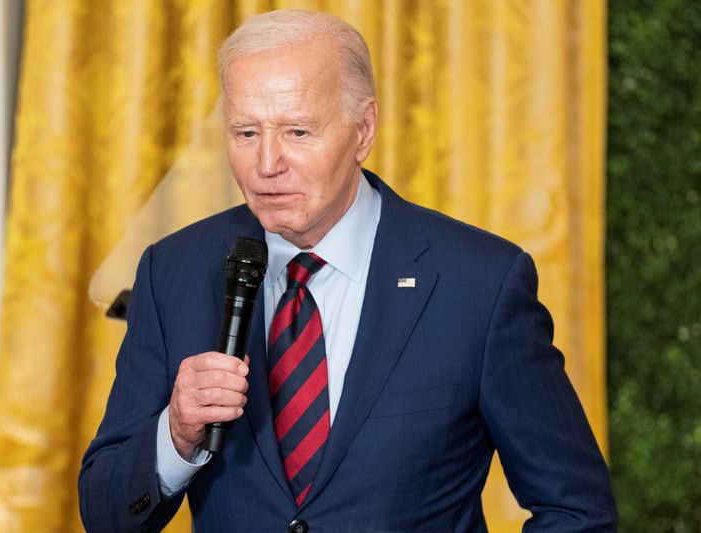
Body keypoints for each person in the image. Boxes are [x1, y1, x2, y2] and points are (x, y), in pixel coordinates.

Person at [79, 9, 617, 532]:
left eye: (297, 132)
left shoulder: (479, 283)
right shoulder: (171, 272)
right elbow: (104, 514)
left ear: (363, 130)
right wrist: (175, 435)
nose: (267, 164)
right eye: (246, 133)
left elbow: (576, 510)